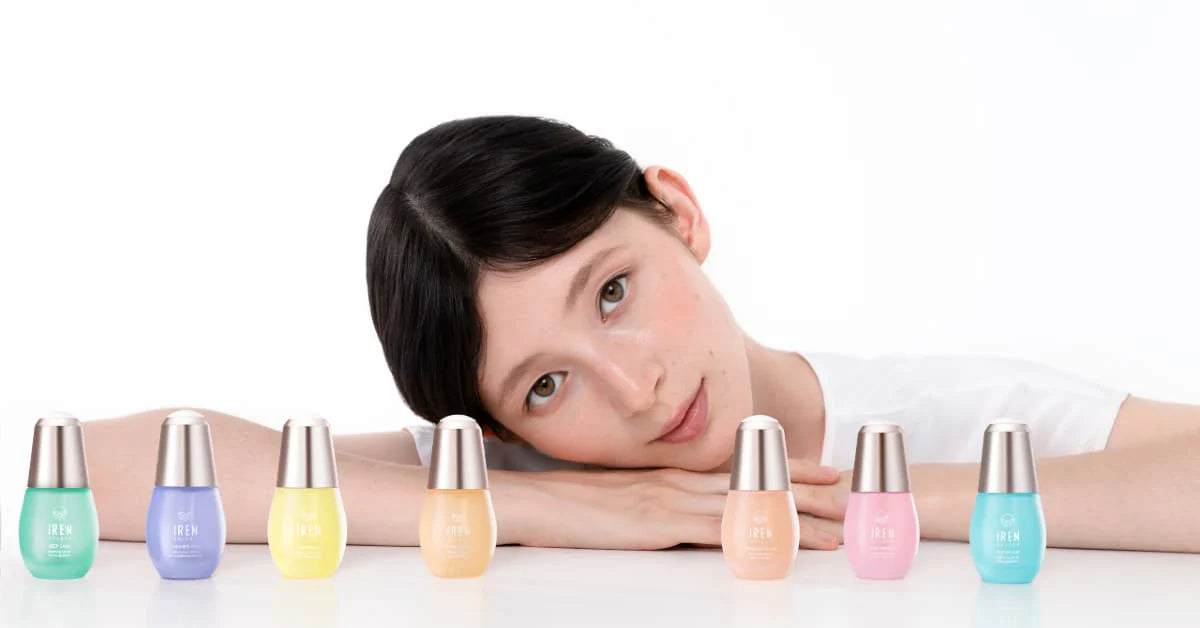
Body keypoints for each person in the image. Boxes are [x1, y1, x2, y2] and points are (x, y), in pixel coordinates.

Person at [85, 116, 1200, 552]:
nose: (634, 389)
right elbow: (96, 469)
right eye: (545, 385)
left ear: (678, 211)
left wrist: (880, 499)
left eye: (612, 290)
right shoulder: (520, 472)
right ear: (499, 427)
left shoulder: (971, 418)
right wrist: (538, 506)